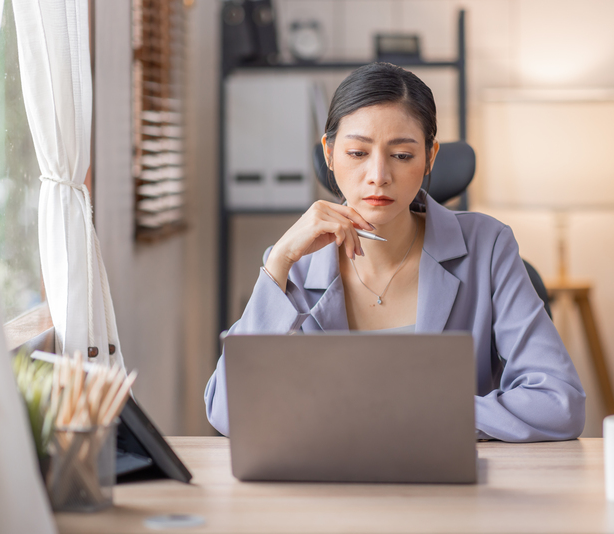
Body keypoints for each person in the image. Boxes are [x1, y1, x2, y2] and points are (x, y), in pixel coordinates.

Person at [205, 62, 585, 442]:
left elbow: (560, 402)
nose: (378, 175)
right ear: (329, 153)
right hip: (329, 486)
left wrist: (425, 413)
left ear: (430, 157)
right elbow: (227, 411)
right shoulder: (295, 265)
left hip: (451, 487)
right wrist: (279, 261)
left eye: (402, 155)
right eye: (357, 152)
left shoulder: (488, 246)